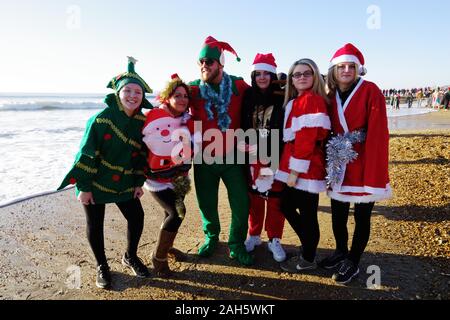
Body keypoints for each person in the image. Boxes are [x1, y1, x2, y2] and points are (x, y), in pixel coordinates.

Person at [58, 57, 153, 289]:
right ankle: (102, 266)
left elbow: (142, 154)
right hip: (95, 180)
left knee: (137, 217)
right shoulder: (100, 120)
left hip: (125, 181)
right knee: (95, 224)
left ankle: (130, 255)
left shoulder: (143, 121)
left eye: (137, 92)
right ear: (118, 93)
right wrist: (83, 187)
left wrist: (139, 182)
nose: (132, 96)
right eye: (128, 90)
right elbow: (85, 154)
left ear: (143, 97)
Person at [320, 43, 392, 284]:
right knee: (338, 213)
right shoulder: (328, 94)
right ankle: (341, 250)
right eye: (342, 66)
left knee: (362, 215)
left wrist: (375, 171)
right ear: (334, 69)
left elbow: (379, 131)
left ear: (359, 69)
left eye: (352, 66)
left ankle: (353, 261)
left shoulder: (371, 90)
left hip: (363, 161)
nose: (347, 70)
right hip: (338, 162)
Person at [189, 36, 253, 266]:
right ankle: (211, 237)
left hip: (233, 156)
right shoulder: (193, 89)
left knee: (241, 203)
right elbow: (170, 107)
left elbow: (262, 97)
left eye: (209, 61)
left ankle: (236, 244)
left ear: (221, 64)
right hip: (204, 157)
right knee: (206, 201)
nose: (204, 65)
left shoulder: (238, 86)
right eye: (200, 62)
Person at [274, 58, 331, 272]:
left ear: (315, 75)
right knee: (293, 208)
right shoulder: (297, 100)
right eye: (296, 74)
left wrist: (294, 172)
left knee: (300, 211)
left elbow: (307, 140)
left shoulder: (310, 100)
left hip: (305, 166)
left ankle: (308, 256)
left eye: (306, 73)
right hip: (296, 162)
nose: (301, 77)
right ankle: (308, 249)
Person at [142, 74, 200, 277]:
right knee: (177, 213)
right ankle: (158, 258)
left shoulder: (186, 120)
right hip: (158, 180)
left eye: (186, 96)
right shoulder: (154, 116)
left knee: (171, 215)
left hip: (181, 176)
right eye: (178, 95)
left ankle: (166, 248)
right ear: (167, 97)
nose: (183, 99)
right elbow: (139, 146)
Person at [240, 53, 287, 262]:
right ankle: (254, 234)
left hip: (276, 152)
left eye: (266, 73)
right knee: (255, 198)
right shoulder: (248, 96)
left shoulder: (282, 95)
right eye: (258, 73)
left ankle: (274, 238)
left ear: (272, 74)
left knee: (276, 199)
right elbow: (242, 124)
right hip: (252, 153)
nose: (262, 77)